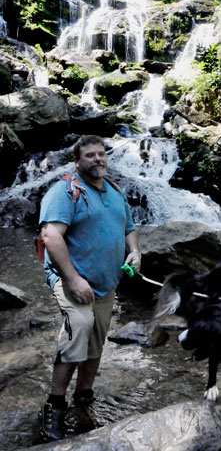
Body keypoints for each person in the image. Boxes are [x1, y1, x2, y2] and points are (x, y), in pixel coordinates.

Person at [37, 134, 140, 442]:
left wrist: (135, 252)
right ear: (77, 161)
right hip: (72, 280)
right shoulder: (64, 191)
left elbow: (129, 230)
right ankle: (54, 407)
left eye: (101, 154)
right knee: (79, 329)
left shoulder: (115, 191)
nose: (98, 159)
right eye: (90, 155)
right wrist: (72, 279)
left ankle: (83, 402)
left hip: (106, 284)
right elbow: (50, 236)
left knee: (95, 343)